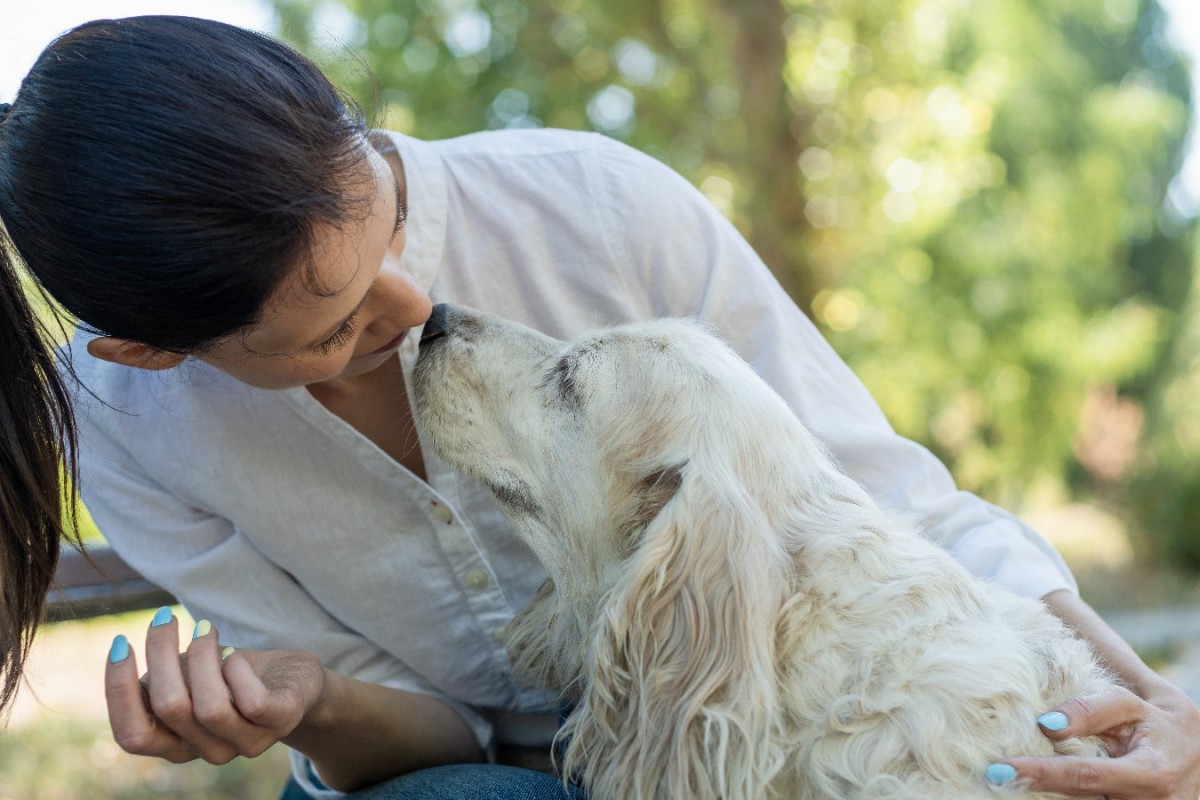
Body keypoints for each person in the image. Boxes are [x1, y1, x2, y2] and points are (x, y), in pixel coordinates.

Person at [0, 13, 1196, 800]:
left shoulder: (603, 206)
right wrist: (311, 700)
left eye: (390, 235)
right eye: (333, 327)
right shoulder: (131, 429)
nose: (418, 309)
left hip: (747, 742)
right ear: (154, 353)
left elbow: (881, 499)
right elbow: (445, 741)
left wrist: (1150, 708)